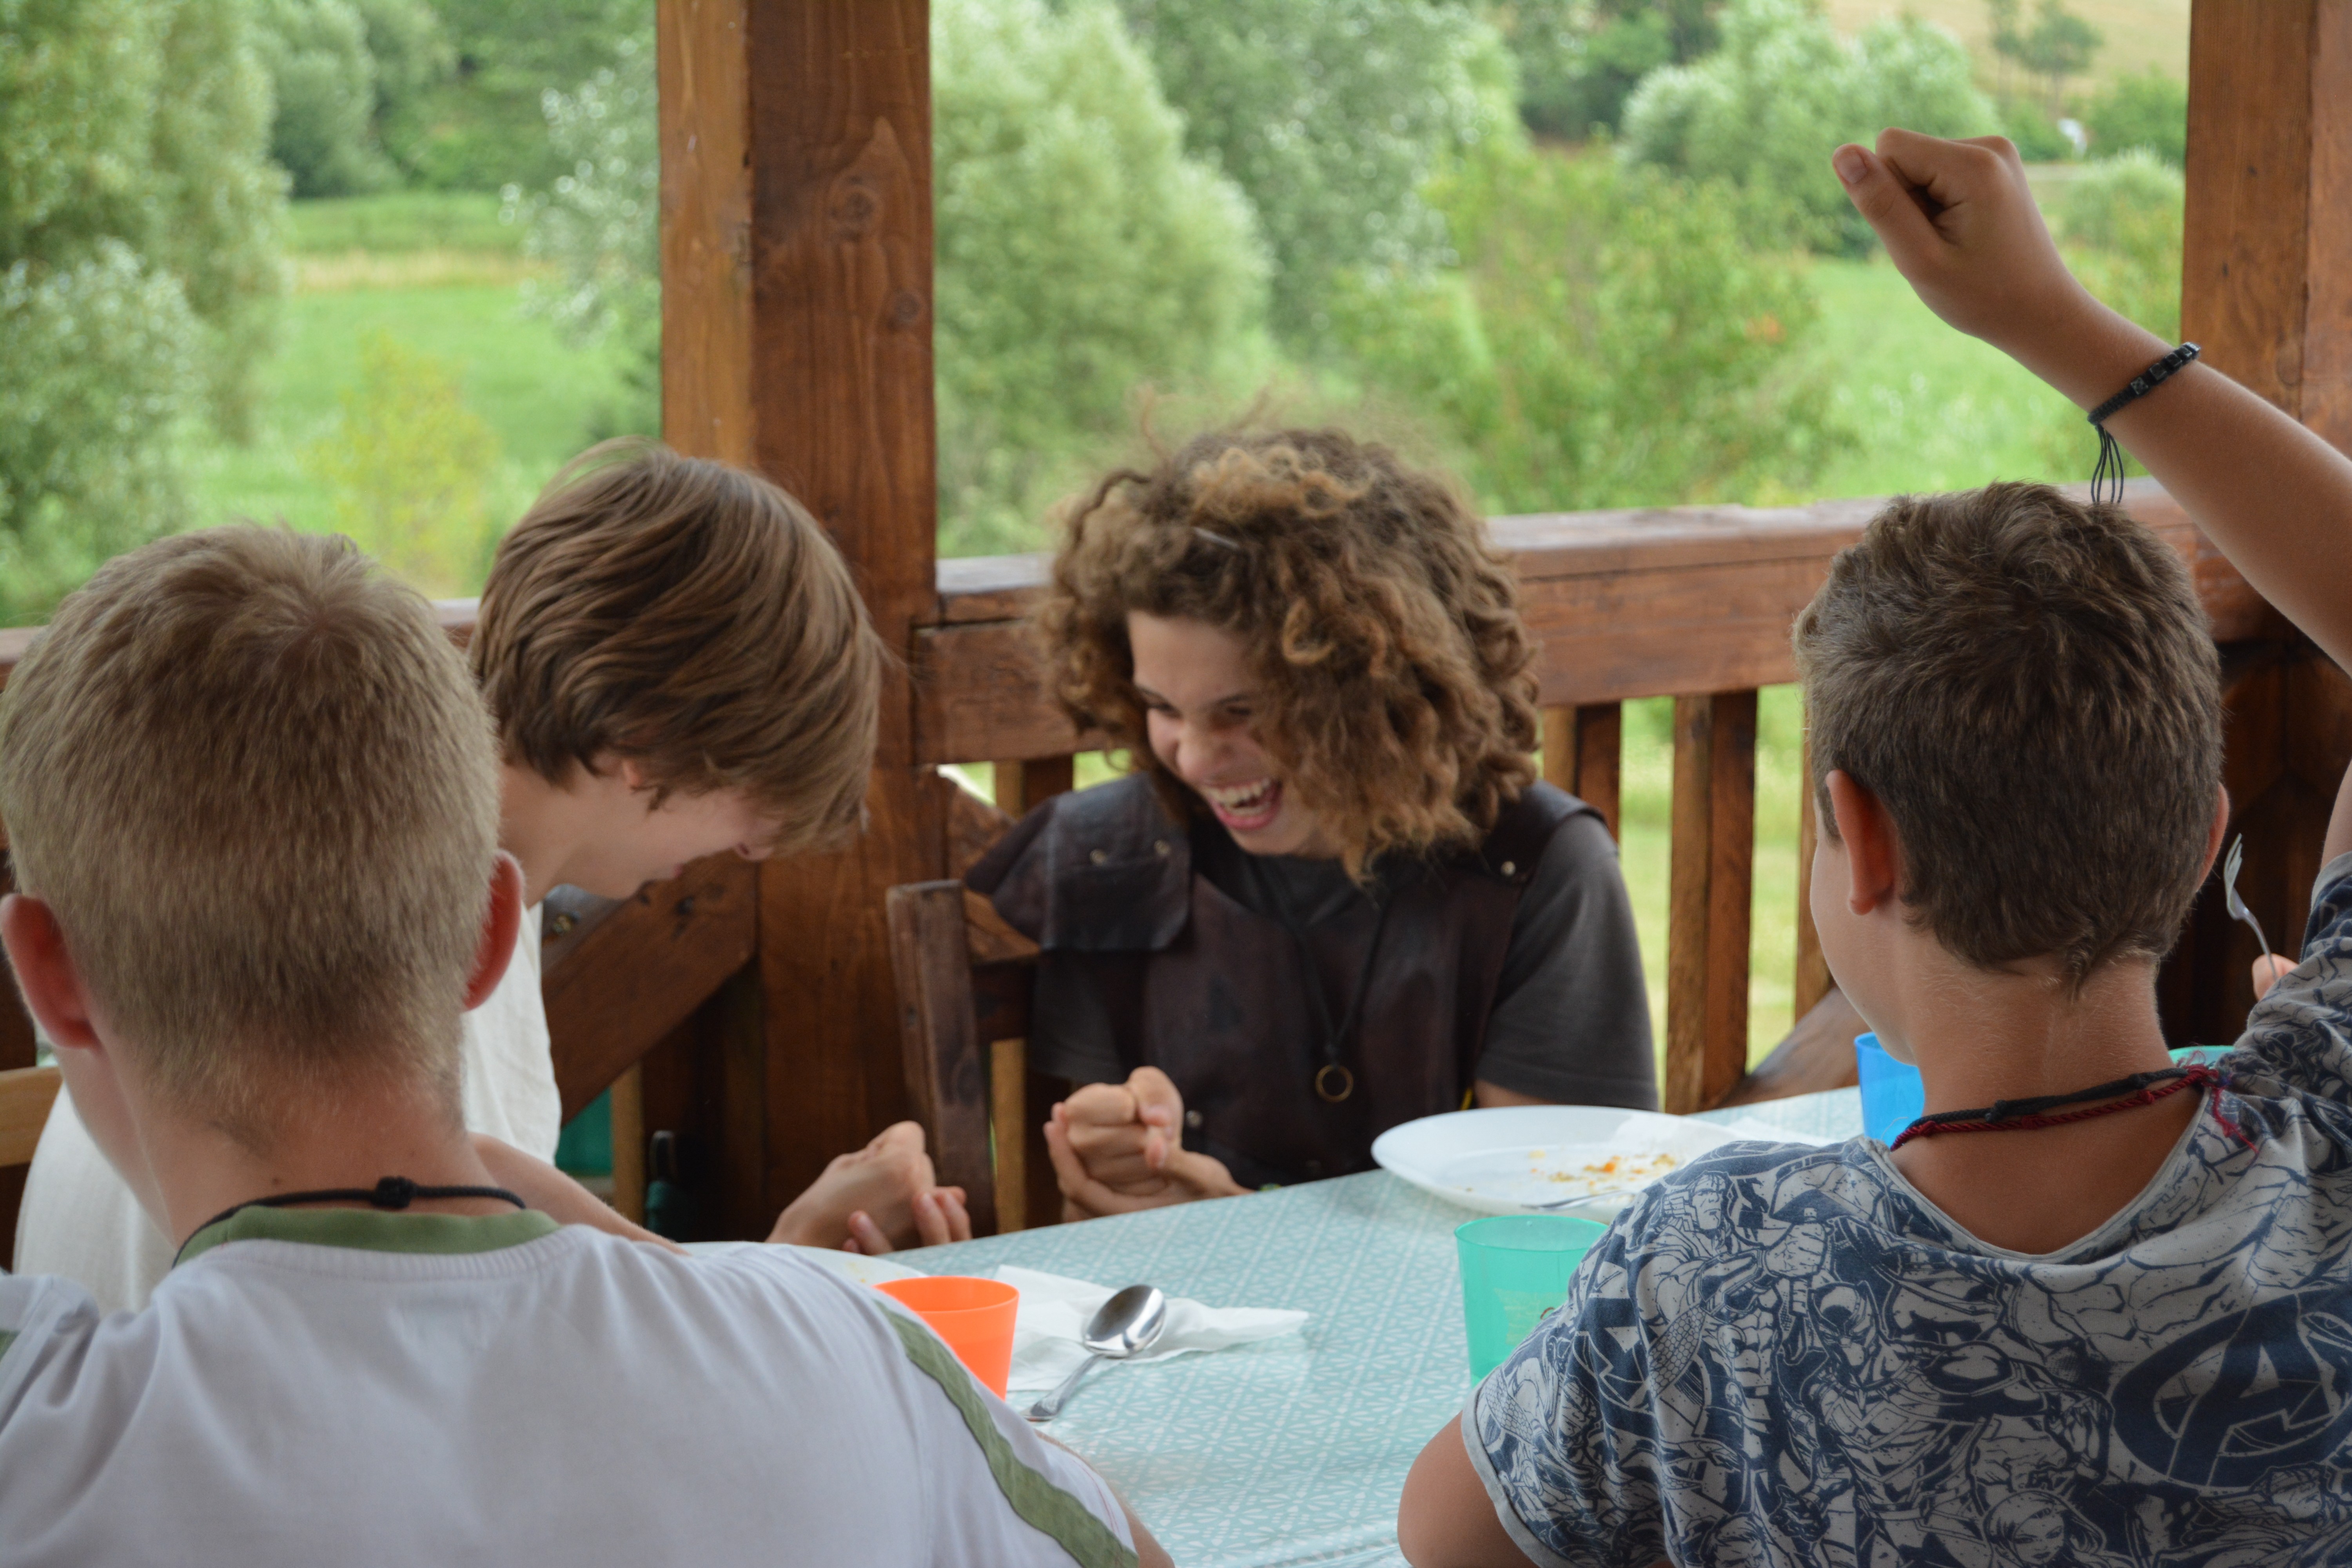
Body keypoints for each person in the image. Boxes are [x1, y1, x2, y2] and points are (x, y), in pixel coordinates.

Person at [1397, 128, 2352, 1567]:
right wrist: (2058, 322)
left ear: (1860, 839)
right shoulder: (2329, 1121)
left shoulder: (1708, 1273)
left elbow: (1447, 1538)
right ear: (2197, 839)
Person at [0, 527, 1164, 1567]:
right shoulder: (851, 1360)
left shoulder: (52, 1431)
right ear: (491, 932)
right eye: (753, 807)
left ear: (50, 977)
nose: (756, 854)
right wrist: (771, 1297)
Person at [14, 443, 967, 1312]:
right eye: (756, 798)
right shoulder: (408, 953)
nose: (756, 849)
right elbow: (480, 1351)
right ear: (644, 746)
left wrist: (783, 1256)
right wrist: (796, 1273)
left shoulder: (337, 873)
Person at [965, 429, 1655, 1217]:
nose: (1193, 757)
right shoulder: (1102, 857)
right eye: (1161, 707)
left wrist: (1243, 1220)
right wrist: (1119, 1158)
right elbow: (1088, 1232)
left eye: (1243, 711)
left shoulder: (1534, 866)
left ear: (1370, 692)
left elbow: (1557, 1228)